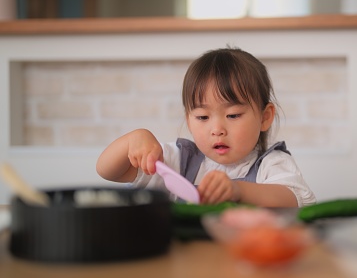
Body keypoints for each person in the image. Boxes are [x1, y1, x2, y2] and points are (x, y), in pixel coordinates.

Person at [96, 47, 316, 207]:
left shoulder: (272, 164)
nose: (217, 129)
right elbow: (107, 171)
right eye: (202, 117)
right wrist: (135, 139)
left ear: (264, 117)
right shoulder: (180, 161)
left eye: (233, 115)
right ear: (189, 120)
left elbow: (294, 198)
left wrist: (237, 190)